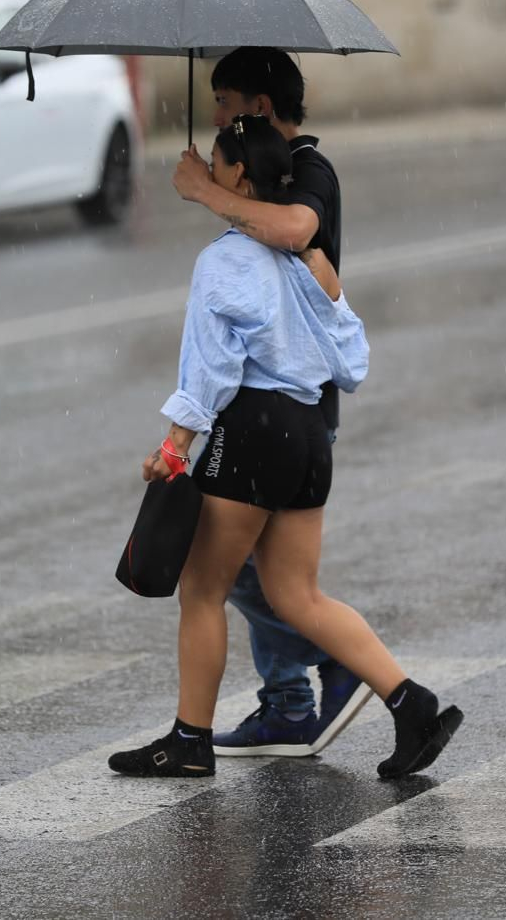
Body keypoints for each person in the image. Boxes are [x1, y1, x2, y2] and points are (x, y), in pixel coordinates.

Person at [108, 115, 462, 780]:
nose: (210, 173)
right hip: (308, 434)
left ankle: (189, 740)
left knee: (204, 589)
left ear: (241, 175)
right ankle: (413, 704)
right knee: (297, 595)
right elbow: (351, 359)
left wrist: (174, 448)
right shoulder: (312, 262)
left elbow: (209, 371)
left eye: (217, 162)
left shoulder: (222, 261)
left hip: (253, 430)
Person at [171, 48, 367, 759]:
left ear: (257, 105)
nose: (216, 115)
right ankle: (288, 703)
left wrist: (207, 192)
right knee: (255, 573)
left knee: (239, 577)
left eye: (224, 102)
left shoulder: (306, 165)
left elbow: (294, 231)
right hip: (280, 409)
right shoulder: (272, 165)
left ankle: (332, 661)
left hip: (289, 407)